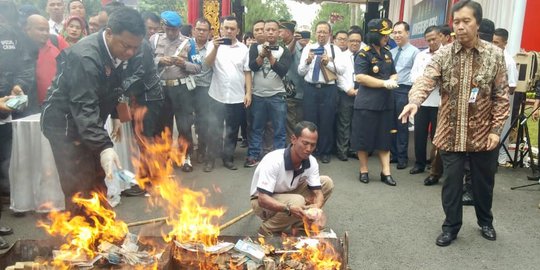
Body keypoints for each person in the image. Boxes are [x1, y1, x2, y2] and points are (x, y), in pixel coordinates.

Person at [399, 0, 509, 246]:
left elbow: (501, 97)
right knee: (451, 184)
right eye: (456, 22)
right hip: (450, 133)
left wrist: (495, 130)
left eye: (466, 21)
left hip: (483, 135)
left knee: (483, 184)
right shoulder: (443, 54)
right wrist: (414, 101)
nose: (460, 27)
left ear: (477, 23)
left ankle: (485, 222)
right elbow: (426, 80)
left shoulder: (495, 55)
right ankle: (450, 227)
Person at [41, 7, 147, 216]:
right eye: (126, 46)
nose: (130, 53)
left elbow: (114, 86)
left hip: (89, 122)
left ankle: (102, 231)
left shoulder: (120, 51)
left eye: (135, 48)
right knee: (80, 186)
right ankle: (81, 239)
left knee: (98, 180)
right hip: (64, 125)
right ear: (109, 33)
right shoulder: (85, 58)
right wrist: (104, 146)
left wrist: (116, 115)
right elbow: (84, 108)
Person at [250, 121, 334, 236]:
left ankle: (301, 225)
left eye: (313, 145)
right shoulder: (273, 160)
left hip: (289, 194)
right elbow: (262, 199)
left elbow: (318, 193)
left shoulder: (311, 161)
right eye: (305, 143)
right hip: (263, 201)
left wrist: (316, 208)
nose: (309, 149)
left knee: (326, 183)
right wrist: (288, 208)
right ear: (293, 139)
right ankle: (268, 229)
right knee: (297, 200)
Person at [150, 11, 201, 173]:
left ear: (179, 28)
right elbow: (146, 62)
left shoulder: (189, 43)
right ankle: (164, 158)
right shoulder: (154, 40)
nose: (171, 32)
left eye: (175, 29)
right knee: (163, 126)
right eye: (168, 29)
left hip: (181, 89)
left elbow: (199, 67)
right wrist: (159, 61)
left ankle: (185, 156)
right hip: (161, 88)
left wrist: (183, 64)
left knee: (184, 126)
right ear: (163, 26)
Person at [352, 19, 398, 186]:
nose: (387, 38)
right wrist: (384, 83)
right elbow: (360, 77)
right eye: (383, 35)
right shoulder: (363, 53)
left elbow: (393, 72)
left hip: (385, 103)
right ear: (374, 35)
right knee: (363, 138)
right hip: (367, 104)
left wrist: (393, 79)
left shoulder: (387, 53)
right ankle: (364, 170)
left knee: (384, 138)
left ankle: (386, 172)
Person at [204, 16, 252, 171]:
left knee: (232, 130)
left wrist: (248, 93)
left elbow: (247, 72)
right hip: (216, 95)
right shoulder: (213, 44)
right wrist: (216, 48)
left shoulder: (244, 49)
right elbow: (207, 64)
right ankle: (210, 160)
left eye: (233, 28)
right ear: (221, 29)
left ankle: (228, 158)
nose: (229, 31)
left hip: (237, 97)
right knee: (213, 129)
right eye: (227, 28)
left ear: (238, 31)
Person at [298, 21, 346, 164]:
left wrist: (328, 63)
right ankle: (311, 151)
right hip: (310, 89)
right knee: (309, 122)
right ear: (315, 32)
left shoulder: (334, 49)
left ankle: (325, 152)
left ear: (330, 34)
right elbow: (300, 71)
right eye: (319, 31)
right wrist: (307, 61)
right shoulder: (309, 48)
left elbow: (342, 70)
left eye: (324, 32)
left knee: (326, 121)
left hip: (328, 90)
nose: (321, 34)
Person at [245, 20, 291, 167]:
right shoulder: (254, 47)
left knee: (279, 129)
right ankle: (253, 156)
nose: (270, 32)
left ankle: (279, 159)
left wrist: (270, 56)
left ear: (279, 33)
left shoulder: (285, 51)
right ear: (263, 32)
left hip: (277, 96)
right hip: (258, 95)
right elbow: (252, 67)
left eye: (274, 30)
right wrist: (261, 55)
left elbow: (283, 70)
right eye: (267, 30)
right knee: (256, 128)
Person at [409, 26, 443, 178]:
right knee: (419, 134)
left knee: (437, 137)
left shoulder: (446, 54)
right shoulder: (421, 55)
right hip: (421, 102)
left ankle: (435, 167)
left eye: (434, 39)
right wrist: (425, 81)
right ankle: (419, 163)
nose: (431, 42)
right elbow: (413, 75)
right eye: (428, 40)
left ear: (441, 36)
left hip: (440, 102)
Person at [390, 21, 420, 170]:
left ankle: (402, 157)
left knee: (402, 124)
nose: (397, 35)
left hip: (404, 90)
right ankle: (393, 154)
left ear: (407, 33)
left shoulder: (415, 52)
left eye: (399, 32)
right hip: (390, 90)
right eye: (394, 32)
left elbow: (416, 74)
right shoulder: (392, 51)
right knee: (391, 124)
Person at [24, 14, 69, 114]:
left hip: (59, 107)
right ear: (28, 30)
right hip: (30, 110)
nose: (45, 33)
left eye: (47, 30)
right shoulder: (20, 49)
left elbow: (73, 64)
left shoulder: (56, 41)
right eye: (40, 29)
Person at [335, 29, 365, 162]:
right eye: (352, 41)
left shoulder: (364, 56)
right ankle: (342, 150)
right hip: (346, 94)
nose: (355, 43)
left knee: (357, 124)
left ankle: (353, 149)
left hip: (362, 94)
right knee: (344, 124)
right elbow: (338, 76)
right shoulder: (341, 56)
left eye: (358, 41)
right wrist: (348, 89)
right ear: (347, 42)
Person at [190, 17, 213, 170]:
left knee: (203, 121)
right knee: (185, 121)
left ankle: (202, 149)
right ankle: (186, 151)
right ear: (194, 30)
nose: (201, 32)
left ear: (210, 32)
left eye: (204, 30)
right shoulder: (187, 45)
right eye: (198, 29)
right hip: (188, 87)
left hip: (205, 88)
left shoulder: (213, 47)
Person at [492, 28, 518, 167]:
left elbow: (513, 86)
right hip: (490, 101)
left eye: (497, 42)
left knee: (503, 129)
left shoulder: (509, 62)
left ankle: (502, 158)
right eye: (492, 42)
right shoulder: (490, 56)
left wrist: (499, 88)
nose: (494, 45)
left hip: (504, 100)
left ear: (505, 43)